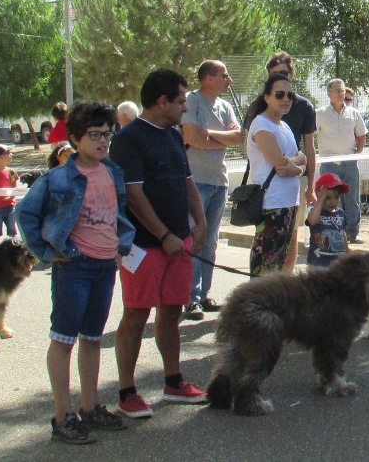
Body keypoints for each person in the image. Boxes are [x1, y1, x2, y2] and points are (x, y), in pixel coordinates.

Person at [17, 102, 135, 444]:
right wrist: (47, 253)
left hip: (103, 267)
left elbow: (120, 215)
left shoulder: (112, 172)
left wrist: (119, 247)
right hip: (74, 268)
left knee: (93, 338)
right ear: (74, 138)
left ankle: (90, 406)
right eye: (94, 135)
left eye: (107, 134)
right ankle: (61, 415)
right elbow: (26, 214)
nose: (102, 142)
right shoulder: (58, 177)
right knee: (64, 339)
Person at [109, 69, 208, 419]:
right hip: (144, 246)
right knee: (136, 314)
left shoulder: (173, 135)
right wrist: (163, 235)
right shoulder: (129, 139)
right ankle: (126, 391)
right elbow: (133, 196)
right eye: (181, 101)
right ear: (162, 101)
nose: (185, 108)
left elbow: (187, 182)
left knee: (171, 310)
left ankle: (173, 380)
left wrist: (201, 223)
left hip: (178, 243)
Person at [180, 60, 242, 320]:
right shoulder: (191, 102)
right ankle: (190, 297)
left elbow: (239, 137)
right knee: (196, 237)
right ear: (207, 78)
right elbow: (192, 138)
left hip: (219, 180)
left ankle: (205, 293)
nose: (228, 80)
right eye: (224, 75)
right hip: (196, 181)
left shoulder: (225, 106)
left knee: (211, 240)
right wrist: (218, 136)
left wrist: (209, 134)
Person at [244, 52, 317, 272]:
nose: (285, 99)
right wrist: (297, 164)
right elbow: (281, 164)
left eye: (289, 95)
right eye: (279, 94)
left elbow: (301, 159)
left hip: (289, 203)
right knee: (266, 268)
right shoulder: (262, 124)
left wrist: (297, 165)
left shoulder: (283, 126)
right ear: (266, 97)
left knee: (282, 263)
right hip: (271, 206)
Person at [315, 78, 368, 243]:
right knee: (329, 198)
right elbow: (309, 136)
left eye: (343, 90)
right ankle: (334, 232)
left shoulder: (354, 113)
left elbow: (361, 135)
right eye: (337, 90)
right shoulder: (320, 114)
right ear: (329, 94)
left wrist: (356, 155)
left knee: (352, 198)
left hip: (350, 164)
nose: (341, 93)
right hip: (329, 164)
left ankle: (353, 232)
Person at [306, 172, 349, 267]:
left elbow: (343, 234)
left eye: (337, 197)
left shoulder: (341, 213)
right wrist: (320, 200)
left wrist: (347, 255)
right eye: (328, 197)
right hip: (318, 262)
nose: (332, 202)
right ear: (319, 194)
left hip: (337, 262)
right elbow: (312, 221)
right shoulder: (315, 212)